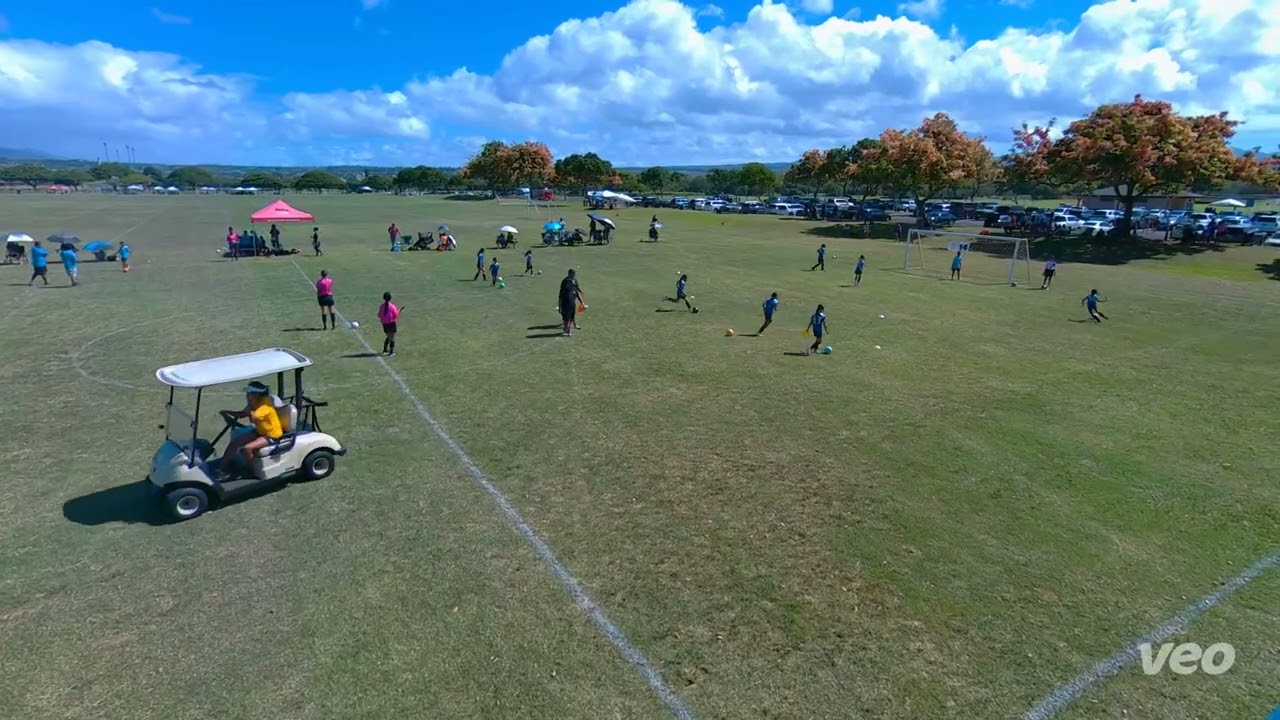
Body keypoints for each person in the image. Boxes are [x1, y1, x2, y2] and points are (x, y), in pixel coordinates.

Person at [218, 381, 284, 477]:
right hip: (260, 431)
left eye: (249, 393)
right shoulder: (255, 403)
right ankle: (222, 468)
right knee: (235, 442)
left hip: (272, 435)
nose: (247, 395)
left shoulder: (265, 406)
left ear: (255, 394)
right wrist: (227, 412)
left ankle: (251, 471)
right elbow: (242, 414)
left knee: (247, 448)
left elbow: (253, 418)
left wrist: (249, 407)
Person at [559, 269, 583, 336]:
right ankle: (567, 329)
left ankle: (570, 327)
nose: (574, 275)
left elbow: (577, 287)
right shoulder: (565, 282)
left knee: (571, 315)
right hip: (566, 302)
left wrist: (580, 291)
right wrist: (560, 304)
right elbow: (561, 294)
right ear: (570, 274)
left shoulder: (574, 280)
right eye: (573, 274)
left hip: (571, 301)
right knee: (567, 316)